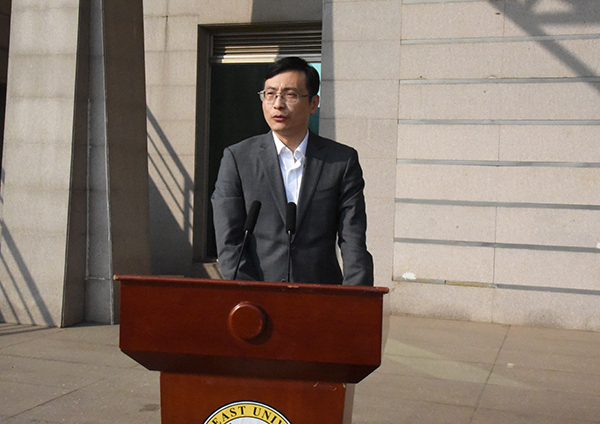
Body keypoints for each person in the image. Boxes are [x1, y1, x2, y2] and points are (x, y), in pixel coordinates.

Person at [211, 56, 373, 286]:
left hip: (321, 294)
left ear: (313, 103)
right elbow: (229, 240)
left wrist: (355, 296)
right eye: (270, 94)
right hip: (257, 293)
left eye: (290, 95)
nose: (278, 104)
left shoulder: (341, 161)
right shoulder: (237, 158)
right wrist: (251, 293)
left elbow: (353, 239)